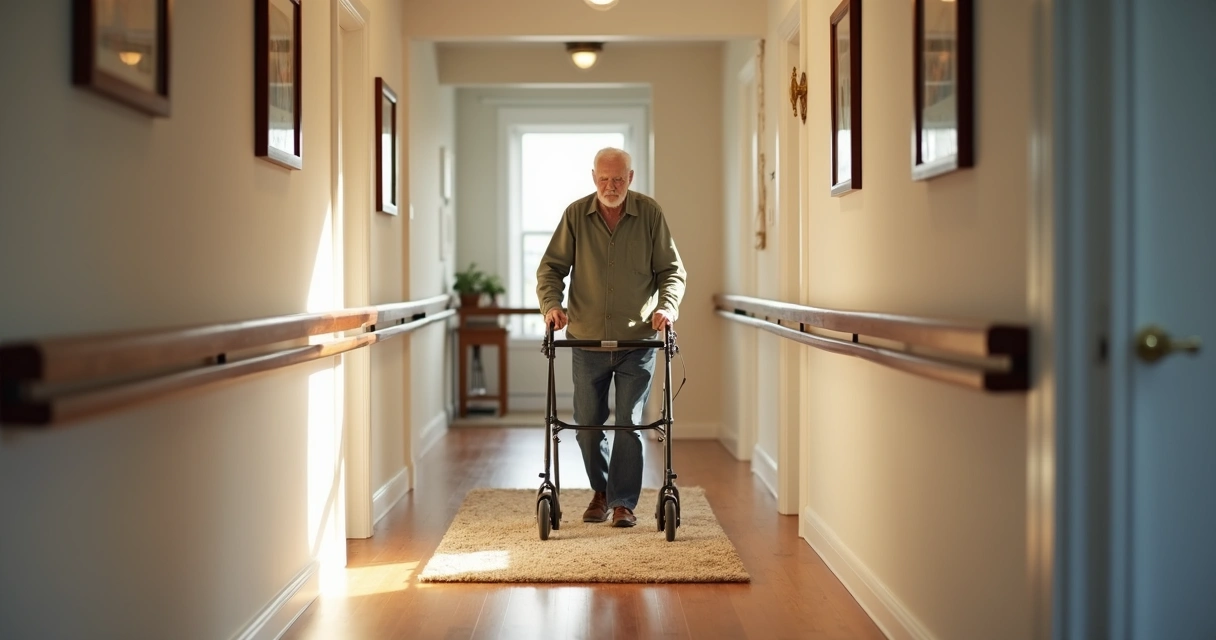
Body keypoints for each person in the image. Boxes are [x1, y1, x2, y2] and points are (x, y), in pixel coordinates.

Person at [536, 147, 687, 528]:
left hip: (637, 341)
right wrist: (551, 305)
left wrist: (667, 307)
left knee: (629, 424)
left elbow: (672, 271)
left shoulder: (649, 214)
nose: (611, 186)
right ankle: (601, 490)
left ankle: (623, 503)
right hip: (586, 341)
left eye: (618, 179)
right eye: (604, 179)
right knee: (587, 426)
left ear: (630, 178)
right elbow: (551, 269)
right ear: (593, 178)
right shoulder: (575, 215)